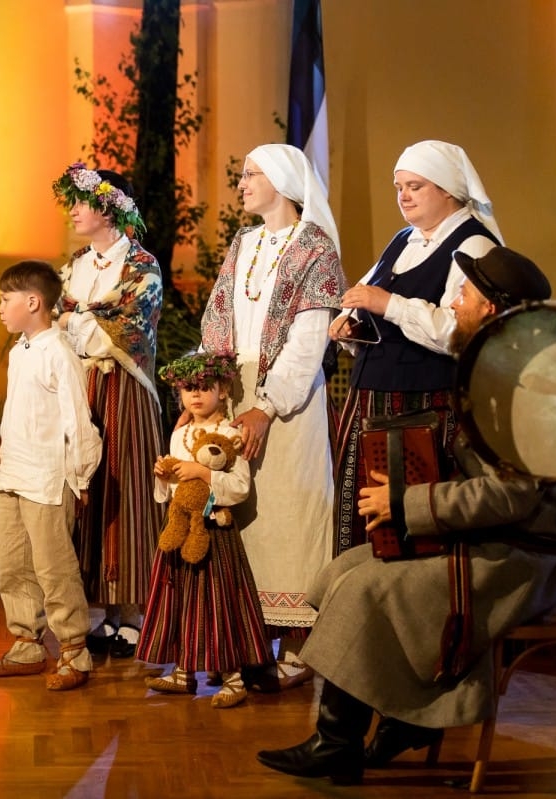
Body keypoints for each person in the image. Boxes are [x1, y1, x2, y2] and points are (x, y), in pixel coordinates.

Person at [257, 245, 556, 786]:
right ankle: (401, 719)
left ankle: (338, 743)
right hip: (493, 537)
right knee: (351, 569)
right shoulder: (499, 368)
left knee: (368, 587)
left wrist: (405, 504)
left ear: (490, 310)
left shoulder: (530, 390)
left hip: (521, 556)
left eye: (464, 294)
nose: (455, 301)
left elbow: (513, 499)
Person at [198, 143, 345, 690]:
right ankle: (248, 636)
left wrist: (266, 405)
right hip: (237, 387)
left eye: (250, 174)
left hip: (288, 396)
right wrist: (213, 383)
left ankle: (300, 645)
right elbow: (219, 314)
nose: (241, 184)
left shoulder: (314, 248)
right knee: (245, 509)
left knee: (291, 507)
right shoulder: (245, 242)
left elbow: (308, 340)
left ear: (281, 181)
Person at [331, 140, 501, 555]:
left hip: (422, 404)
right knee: (359, 518)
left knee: (406, 528)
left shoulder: (473, 244)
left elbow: (459, 331)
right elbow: (372, 306)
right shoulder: (403, 240)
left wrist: (387, 304)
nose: (403, 196)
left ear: (447, 190)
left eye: (415, 186)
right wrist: (352, 325)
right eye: (398, 187)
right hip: (372, 396)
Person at [53, 162, 165, 658]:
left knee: (128, 489)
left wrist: (76, 319)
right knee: (87, 491)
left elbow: (119, 332)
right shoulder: (74, 263)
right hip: (79, 386)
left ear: (110, 208)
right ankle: (98, 607)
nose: (74, 211)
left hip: (122, 387)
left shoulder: (142, 265)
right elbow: (57, 323)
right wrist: (77, 321)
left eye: (82, 202)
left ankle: (134, 612)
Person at [0, 261, 102, 690]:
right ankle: (27, 642)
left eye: (5, 300)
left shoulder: (59, 353)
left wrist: (81, 476)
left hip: (48, 478)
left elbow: (77, 420)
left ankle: (74, 650)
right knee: (12, 564)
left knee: (54, 567)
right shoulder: (20, 352)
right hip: (13, 474)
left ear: (33, 302)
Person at [136, 352, 271, 708]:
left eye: (204, 388)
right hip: (180, 529)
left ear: (223, 390)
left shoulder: (230, 434)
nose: (196, 396)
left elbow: (239, 486)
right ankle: (184, 672)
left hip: (215, 532)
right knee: (180, 599)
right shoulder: (179, 434)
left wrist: (203, 474)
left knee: (218, 602)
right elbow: (169, 490)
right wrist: (164, 478)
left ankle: (233, 676)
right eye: (188, 389)